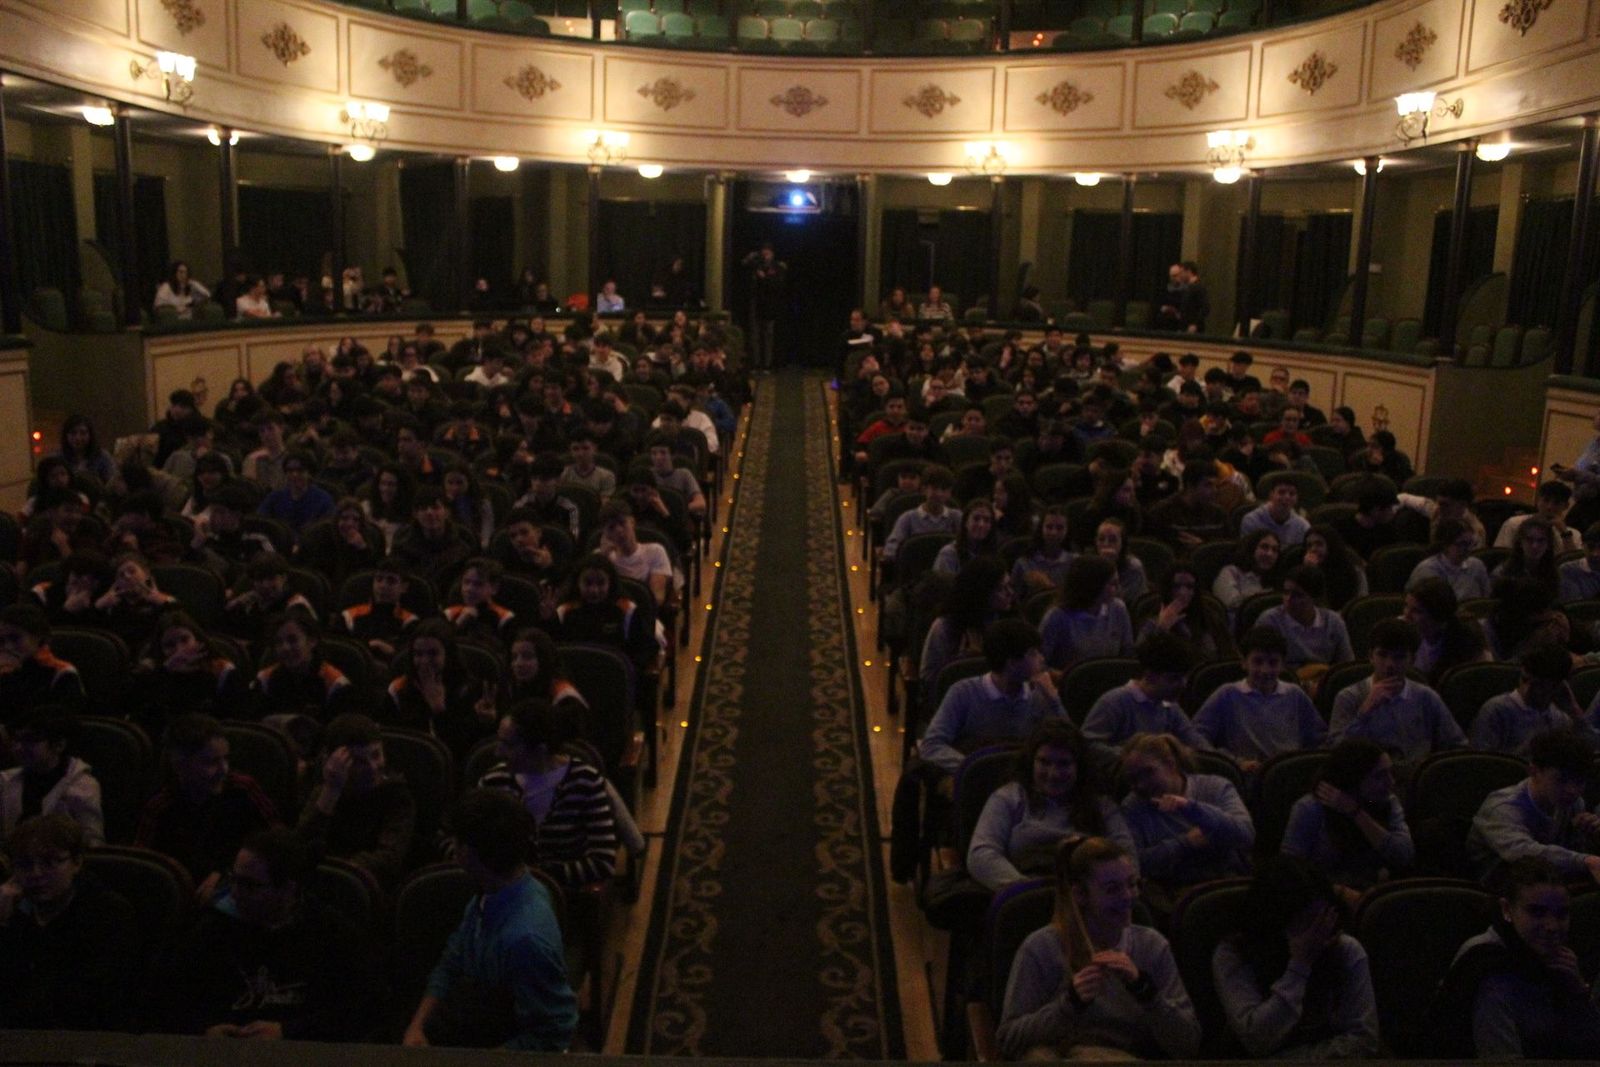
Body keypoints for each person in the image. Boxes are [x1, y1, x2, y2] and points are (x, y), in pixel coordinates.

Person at [155, 827, 383, 1040]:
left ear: (288, 889)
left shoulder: (329, 932)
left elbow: (364, 1009)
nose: (234, 893)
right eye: (233, 879)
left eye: (249, 885)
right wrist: (205, 1030)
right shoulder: (215, 926)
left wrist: (288, 1032)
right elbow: (166, 999)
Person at [996, 836, 1201, 1060]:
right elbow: (1009, 1040)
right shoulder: (1042, 948)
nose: (1128, 897)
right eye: (1112, 889)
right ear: (1080, 895)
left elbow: (1188, 1044)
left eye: (1132, 884)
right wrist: (1069, 1004)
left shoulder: (1152, 946)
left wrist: (1147, 993)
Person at [404, 789, 578, 1050]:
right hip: (474, 1017)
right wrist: (417, 1026)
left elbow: (553, 1032)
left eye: (456, 842)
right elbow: (453, 959)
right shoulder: (491, 892)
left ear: (469, 854)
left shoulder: (524, 941)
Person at [1429, 857, 1600, 1059]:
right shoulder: (1485, 965)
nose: (1552, 926)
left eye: (1562, 914)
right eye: (1537, 912)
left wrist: (1578, 991)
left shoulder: (1560, 959)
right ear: (1507, 910)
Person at [1211, 857, 1380, 1058]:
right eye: (1307, 922)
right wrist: (1299, 966)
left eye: (1324, 917)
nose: (1319, 931)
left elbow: (1364, 1041)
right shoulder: (1234, 954)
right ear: (1275, 922)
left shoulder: (1345, 950)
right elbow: (1257, 1040)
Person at [0, 814, 139, 1031]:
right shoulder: (15, 911)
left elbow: (89, 1000)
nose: (36, 874)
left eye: (49, 862)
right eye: (25, 864)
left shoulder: (108, 914)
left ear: (76, 862)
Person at [967, 721, 1132, 891]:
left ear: (1079, 767)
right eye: (1044, 762)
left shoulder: (1102, 806)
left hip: (1088, 898)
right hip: (1024, 893)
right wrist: (1025, 889)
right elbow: (981, 855)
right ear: (1031, 762)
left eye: (1064, 764)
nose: (1053, 774)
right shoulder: (1009, 798)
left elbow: (1126, 855)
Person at [477, 698, 619, 889]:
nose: (497, 753)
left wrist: (533, 879)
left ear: (540, 750)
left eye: (507, 745)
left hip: (566, 896)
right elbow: (454, 838)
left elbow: (603, 862)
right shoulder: (494, 782)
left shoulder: (584, 781)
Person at [135, 713, 281, 886]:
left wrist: (227, 872)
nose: (224, 769)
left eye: (225, 758)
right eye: (211, 762)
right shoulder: (160, 805)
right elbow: (142, 865)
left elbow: (278, 841)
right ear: (180, 765)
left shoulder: (243, 788)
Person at [919, 618, 1065, 777]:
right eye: (1033, 653)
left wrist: (1054, 699)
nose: (1042, 659)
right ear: (1012, 663)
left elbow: (1069, 744)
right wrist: (975, 768)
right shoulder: (963, 692)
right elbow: (932, 745)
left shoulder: (1040, 696)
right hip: (975, 783)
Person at [1119, 733, 1255, 897]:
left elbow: (1246, 834)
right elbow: (1136, 863)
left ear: (1170, 765)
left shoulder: (1216, 787)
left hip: (1228, 882)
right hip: (1172, 893)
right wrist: (1185, 843)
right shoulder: (1133, 807)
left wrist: (1190, 807)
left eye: (1148, 772)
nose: (1140, 785)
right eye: (1132, 779)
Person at [1282, 740, 1414, 902]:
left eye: (1390, 773)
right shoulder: (1310, 808)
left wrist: (1356, 813)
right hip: (1325, 898)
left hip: (1373, 895)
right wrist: (1341, 893)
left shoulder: (1387, 802)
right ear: (1352, 778)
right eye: (1379, 776)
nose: (1391, 782)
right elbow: (1291, 871)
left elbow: (1403, 855)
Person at [296, 713, 416, 889]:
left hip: (365, 888)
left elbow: (388, 859)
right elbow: (299, 849)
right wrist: (331, 792)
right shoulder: (325, 788)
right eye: (359, 761)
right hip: (318, 883)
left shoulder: (396, 795)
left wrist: (336, 870)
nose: (373, 767)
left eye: (376, 755)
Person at [1466, 728, 1600, 883]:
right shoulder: (1503, 808)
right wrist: (1585, 860)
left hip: (1546, 886)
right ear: (1534, 771)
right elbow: (1524, 854)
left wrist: (1592, 837)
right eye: (1561, 779)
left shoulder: (1574, 803)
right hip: (1495, 892)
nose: (1572, 790)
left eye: (1579, 781)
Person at [1327, 618, 1464, 762]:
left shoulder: (1426, 697)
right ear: (1371, 656)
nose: (1390, 664)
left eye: (1399, 657)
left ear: (1412, 660)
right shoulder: (1349, 697)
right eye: (1382, 655)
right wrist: (1364, 712)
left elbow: (1457, 744)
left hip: (1413, 775)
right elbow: (1335, 752)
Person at [1194, 627, 1326, 772]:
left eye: (1273, 663)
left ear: (1282, 665)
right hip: (1246, 774)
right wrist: (1233, 762)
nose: (1265, 670)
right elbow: (1197, 736)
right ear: (1244, 662)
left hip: (1289, 773)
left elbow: (1319, 739)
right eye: (1257, 662)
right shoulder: (1227, 694)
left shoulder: (1295, 694)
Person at [1082, 633, 1206, 766]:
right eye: (1174, 678)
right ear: (1150, 676)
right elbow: (1089, 745)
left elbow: (1195, 741)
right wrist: (1137, 759)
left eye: (1184, 677)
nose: (1183, 684)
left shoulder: (1169, 706)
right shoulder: (1114, 702)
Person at [385, 619, 497, 760]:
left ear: (448, 655)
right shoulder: (398, 689)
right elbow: (394, 743)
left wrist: (439, 710)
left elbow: (461, 750)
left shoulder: (469, 689)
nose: (424, 661)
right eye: (418, 654)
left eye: (433, 654)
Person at [0, 708, 104, 845]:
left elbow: (92, 845)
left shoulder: (83, 788)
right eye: (17, 740)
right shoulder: (5, 780)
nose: (18, 748)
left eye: (29, 740)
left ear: (59, 745)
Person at [1472, 641, 1594, 756]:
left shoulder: (1560, 719)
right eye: (1524, 679)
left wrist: (1575, 711)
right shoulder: (1495, 711)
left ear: (1557, 686)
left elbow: (1592, 749)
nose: (1526, 690)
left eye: (1539, 685)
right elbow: (1483, 767)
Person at [1039, 555, 1135, 672]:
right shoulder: (1057, 617)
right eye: (1112, 584)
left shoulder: (1118, 609)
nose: (1118, 589)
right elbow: (1038, 664)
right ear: (1093, 585)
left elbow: (1128, 654)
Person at [1254, 565, 1355, 670]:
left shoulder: (1333, 622)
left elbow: (1346, 666)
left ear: (1315, 598)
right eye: (1286, 592)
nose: (1289, 599)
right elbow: (1262, 667)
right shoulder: (1270, 621)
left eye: (1298, 595)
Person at [0, 604, 86, 721]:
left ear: (39, 637)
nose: (8, 646)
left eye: (15, 638)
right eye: (1, 641)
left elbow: (59, 723)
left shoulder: (63, 673)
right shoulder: (5, 671)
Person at [1138, 564, 1236, 662]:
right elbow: (1139, 659)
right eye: (1176, 586)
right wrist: (1161, 628)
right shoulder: (1152, 619)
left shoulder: (1210, 618)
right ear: (1167, 589)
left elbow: (1226, 657)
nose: (1183, 592)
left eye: (1189, 587)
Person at [1403, 577, 1491, 683]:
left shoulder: (1468, 640)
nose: (1406, 615)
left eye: (1416, 611)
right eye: (1406, 606)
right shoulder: (1400, 632)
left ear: (1438, 616)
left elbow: (1482, 682)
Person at [882, 464, 961, 562]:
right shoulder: (907, 519)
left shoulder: (957, 517)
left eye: (944, 490)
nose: (939, 494)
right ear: (924, 489)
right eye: (935, 488)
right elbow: (891, 550)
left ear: (950, 493)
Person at [1407, 517, 1492, 601]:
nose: (1468, 549)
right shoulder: (1427, 570)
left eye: (1470, 543)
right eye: (1462, 544)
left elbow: (1487, 599)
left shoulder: (1476, 566)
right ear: (1445, 545)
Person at [1496, 481, 1582, 554]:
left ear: (1566, 506)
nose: (1549, 507)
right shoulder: (1515, 524)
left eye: (1556, 503)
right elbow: (1500, 555)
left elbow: (1574, 565)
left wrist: (1564, 533)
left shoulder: (1574, 535)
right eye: (1546, 500)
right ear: (1538, 500)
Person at [1213, 529, 1283, 615]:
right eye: (1264, 547)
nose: (1269, 554)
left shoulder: (1278, 579)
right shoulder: (1230, 572)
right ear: (1251, 549)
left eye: (1275, 550)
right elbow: (1230, 603)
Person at [742, 243, 787, 371]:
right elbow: (744, 264)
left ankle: (767, 364)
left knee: (768, 336)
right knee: (755, 335)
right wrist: (750, 258)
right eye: (764, 253)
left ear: (772, 254)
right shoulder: (756, 266)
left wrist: (764, 278)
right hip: (756, 305)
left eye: (768, 253)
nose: (766, 255)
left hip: (770, 306)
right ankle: (756, 363)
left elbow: (778, 285)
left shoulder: (777, 267)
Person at [1240, 480, 1309, 547]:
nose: (1287, 497)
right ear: (1271, 495)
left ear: (1296, 499)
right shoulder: (1251, 521)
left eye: (1292, 494)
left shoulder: (1302, 527)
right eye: (1281, 492)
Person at [1558, 520, 1600, 602]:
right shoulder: (1569, 570)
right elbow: (1577, 609)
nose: (1595, 553)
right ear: (1583, 545)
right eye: (1591, 547)